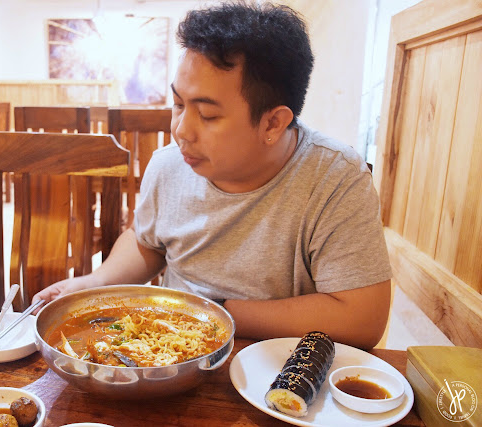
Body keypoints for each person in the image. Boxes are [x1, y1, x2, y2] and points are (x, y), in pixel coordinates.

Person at [34, 2, 392, 350]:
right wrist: (96, 282)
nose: (181, 130)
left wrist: (213, 313)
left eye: (206, 115)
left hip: (275, 365)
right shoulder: (169, 164)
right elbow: (146, 243)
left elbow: (362, 319)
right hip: (166, 353)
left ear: (273, 123)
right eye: (177, 104)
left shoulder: (335, 177)